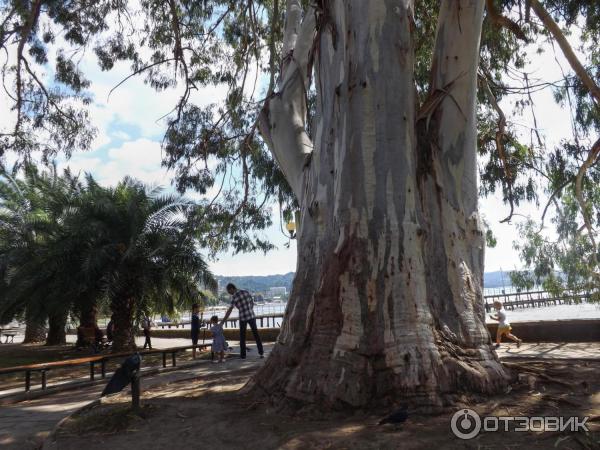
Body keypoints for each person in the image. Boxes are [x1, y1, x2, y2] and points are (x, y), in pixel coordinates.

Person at [221, 283, 263, 359]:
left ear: (232, 289)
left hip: (243, 318)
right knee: (256, 334)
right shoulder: (245, 291)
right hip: (251, 316)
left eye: (229, 291)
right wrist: (249, 310)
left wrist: (223, 321)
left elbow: (230, 310)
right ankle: (261, 352)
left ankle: (243, 355)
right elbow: (252, 302)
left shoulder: (234, 297)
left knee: (242, 337)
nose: (229, 293)